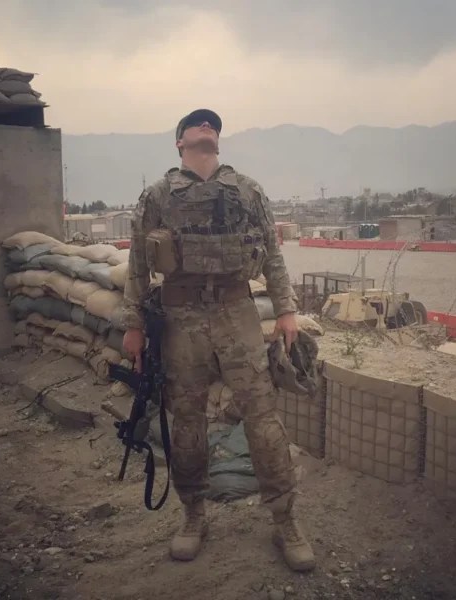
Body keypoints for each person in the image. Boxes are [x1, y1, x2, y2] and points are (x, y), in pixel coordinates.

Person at [121, 108, 315, 572]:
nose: (207, 126)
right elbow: (137, 264)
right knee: (187, 420)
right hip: (180, 316)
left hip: (235, 311)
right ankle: (193, 515)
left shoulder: (247, 190)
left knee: (262, 416)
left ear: (219, 141)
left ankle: (285, 520)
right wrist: (133, 324)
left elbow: (272, 253)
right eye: (197, 123)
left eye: (213, 124)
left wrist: (286, 309)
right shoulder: (157, 195)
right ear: (180, 142)